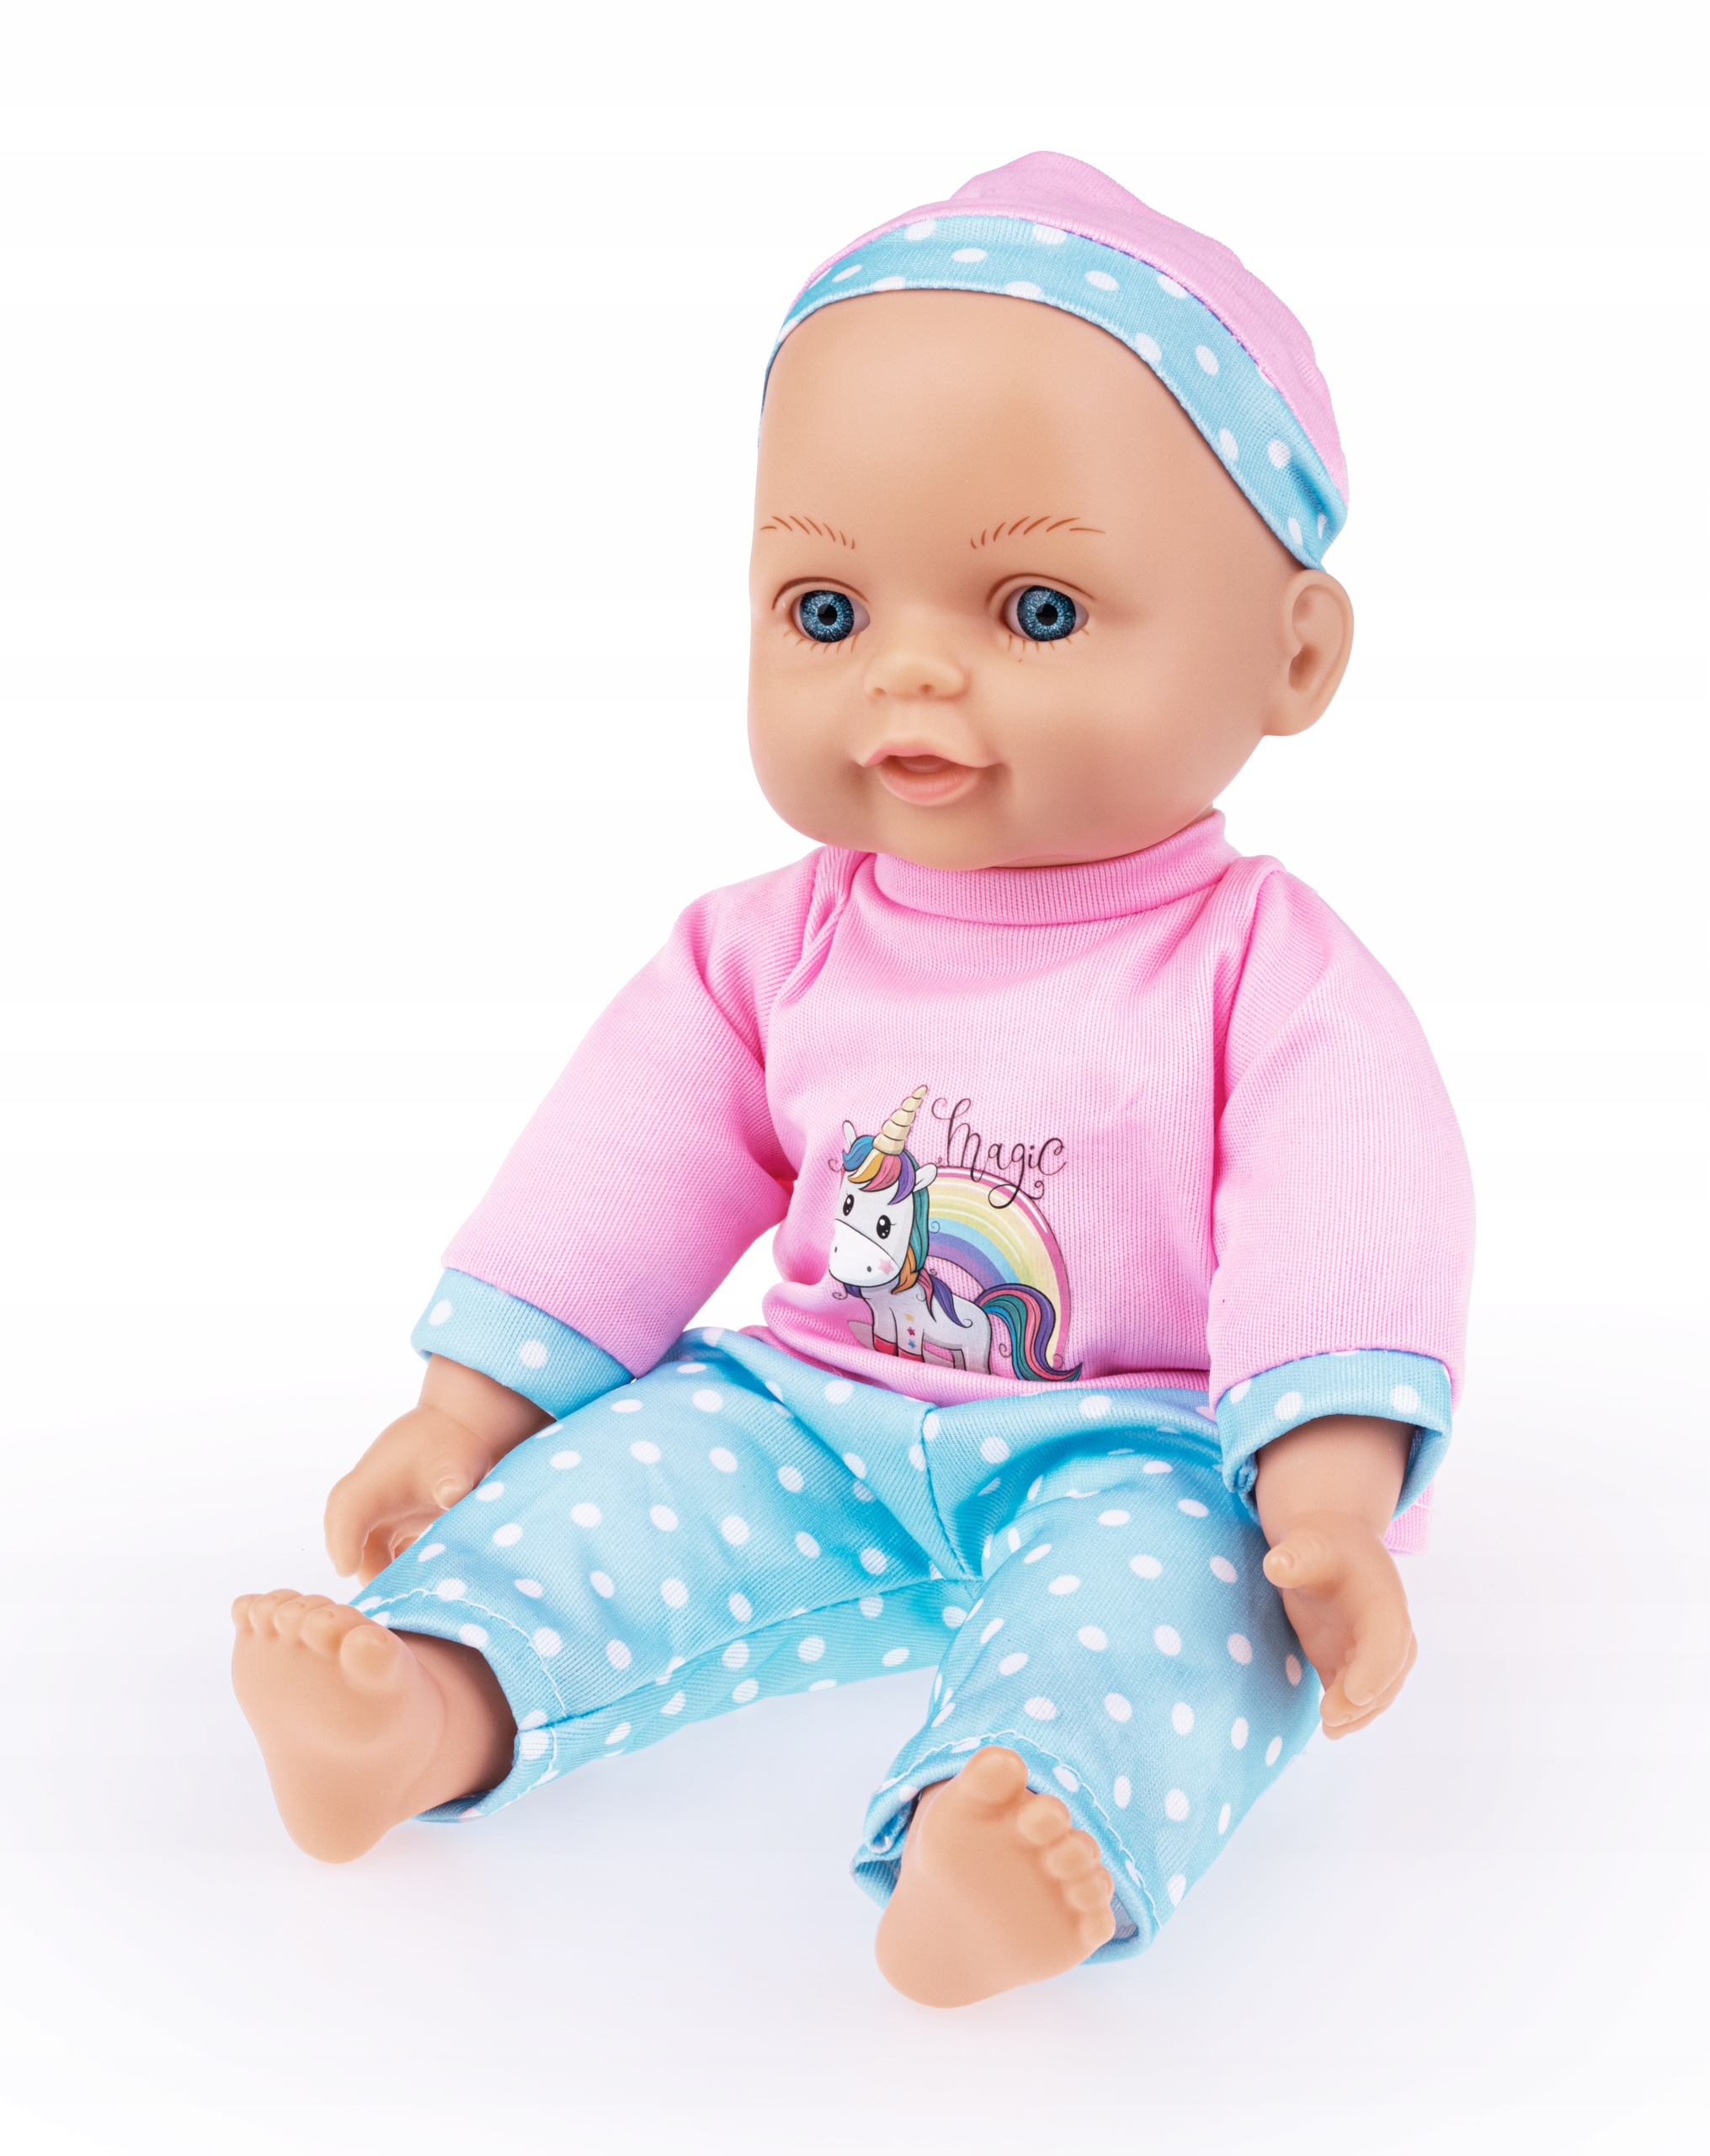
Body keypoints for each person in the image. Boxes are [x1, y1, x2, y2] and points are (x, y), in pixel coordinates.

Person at [232, 152, 1473, 2008]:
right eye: (826, 612)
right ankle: (424, 1697)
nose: (908, 679)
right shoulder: (770, 943)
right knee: (611, 1494)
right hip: (805, 1401)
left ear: (1291, 653)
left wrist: (1321, 1502)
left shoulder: (1264, 974)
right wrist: (468, 1408)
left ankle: (1025, 1828)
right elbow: (622, 1158)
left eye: (1033, 613)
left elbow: (1350, 1218)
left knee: (1176, 1617)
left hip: (1147, 1443)